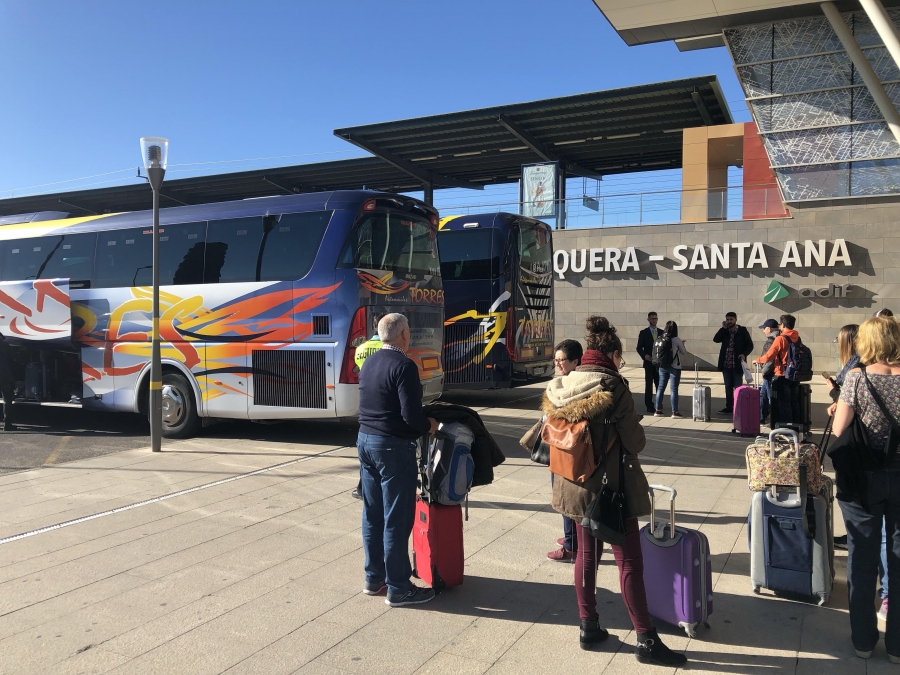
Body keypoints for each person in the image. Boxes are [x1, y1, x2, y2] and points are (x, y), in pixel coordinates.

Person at [544, 316, 687, 666]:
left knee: (585, 556)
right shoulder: (613, 385)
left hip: (574, 483)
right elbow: (635, 442)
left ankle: (588, 626)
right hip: (611, 489)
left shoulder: (563, 383)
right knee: (629, 562)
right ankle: (646, 639)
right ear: (613, 354)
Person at [357, 313, 439, 607]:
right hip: (392, 447)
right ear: (404, 334)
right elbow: (410, 415)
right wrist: (429, 425)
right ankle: (399, 588)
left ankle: (373, 578)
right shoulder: (404, 365)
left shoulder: (370, 362)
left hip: (365, 441)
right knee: (397, 518)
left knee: (373, 514)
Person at [832, 316, 900, 661]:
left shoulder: (857, 378)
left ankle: (863, 641)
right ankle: (898, 646)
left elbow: (839, 429)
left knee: (861, 557)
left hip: (863, 478)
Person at [547, 339, 583, 562]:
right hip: (562, 447)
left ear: (575, 361)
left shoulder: (572, 387)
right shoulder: (568, 382)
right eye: (556, 360)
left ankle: (571, 546)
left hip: (567, 449)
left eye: (562, 360)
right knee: (567, 498)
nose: (558, 364)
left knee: (566, 498)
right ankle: (573, 539)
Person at [755, 314, 801, 427]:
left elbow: (769, 355)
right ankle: (797, 428)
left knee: (784, 404)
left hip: (782, 374)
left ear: (783, 325)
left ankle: (787, 430)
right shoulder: (797, 337)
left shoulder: (781, 338)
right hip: (795, 374)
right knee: (794, 402)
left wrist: (758, 360)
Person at [713, 312, 753, 415]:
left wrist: (744, 354)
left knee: (738, 386)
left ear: (735, 320)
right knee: (728, 386)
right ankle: (729, 407)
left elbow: (750, 345)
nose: (729, 321)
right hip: (726, 364)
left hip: (737, 364)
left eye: (731, 319)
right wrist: (723, 328)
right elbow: (716, 339)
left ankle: (738, 406)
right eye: (727, 320)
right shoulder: (725, 331)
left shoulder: (742, 331)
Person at [653, 321, 687, 418]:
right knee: (674, 389)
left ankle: (658, 410)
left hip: (662, 366)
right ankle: (674, 412)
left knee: (660, 388)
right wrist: (682, 345)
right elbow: (683, 352)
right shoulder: (676, 339)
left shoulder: (660, 337)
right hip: (674, 367)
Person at [636, 311, 660, 414]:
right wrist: (644, 355)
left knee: (659, 384)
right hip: (648, 363)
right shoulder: (644, 333)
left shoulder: (662, 332)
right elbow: (639, 348)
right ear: (648, 319)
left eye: (656, 318)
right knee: (649, 385)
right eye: (652, 318)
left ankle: (659, 404)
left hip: (659, 363)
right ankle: (649, 405)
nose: (654, 320)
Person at [758, 319, 781, 427]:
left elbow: (769, 359)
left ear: (769, 329)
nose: (763, 331)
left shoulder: (771, 340)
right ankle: (761, 418)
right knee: (763, 395)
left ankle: (774, 422)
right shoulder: (781, 337)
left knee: (771, 398)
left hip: (770, 373)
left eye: (764, 328)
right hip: (774, 373)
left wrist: (764, 372)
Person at [0, 333, 17, 431]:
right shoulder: (4, 345)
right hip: (4, 376)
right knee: (7, 400)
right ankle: (7, 423)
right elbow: (15, 356)